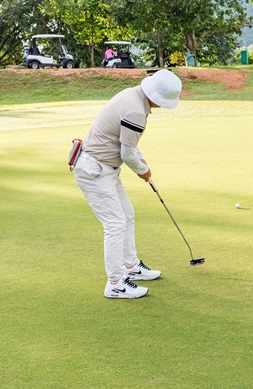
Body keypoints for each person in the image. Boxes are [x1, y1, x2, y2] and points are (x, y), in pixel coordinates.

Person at [73, 69, 182, 298]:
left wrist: (141, 160)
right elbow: (127, 154)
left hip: (105, 169)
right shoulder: (136, 111)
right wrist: (144, 170)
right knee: (114, 224)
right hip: (94, 170)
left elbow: (129, 145)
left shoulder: (134, 96)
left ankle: (131, 267)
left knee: (127, 214)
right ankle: (115, 283)